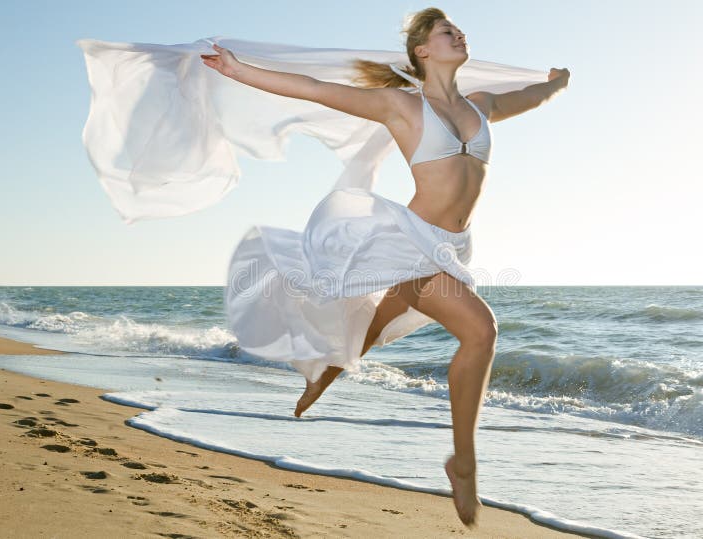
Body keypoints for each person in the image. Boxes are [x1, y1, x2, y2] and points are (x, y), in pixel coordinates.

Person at [201, 7, 569, 527]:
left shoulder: (482, 105)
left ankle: (324, 376)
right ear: (422, 51)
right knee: (481, 331)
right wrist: (240, 71)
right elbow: (312, 88)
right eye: (447, 32)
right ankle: (463, 464)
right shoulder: (400, 106)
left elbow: (531, 97)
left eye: (459, 30)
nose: (459, 35)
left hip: (453, 245)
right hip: (410, 241)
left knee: (376, 322)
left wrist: (558, 82)